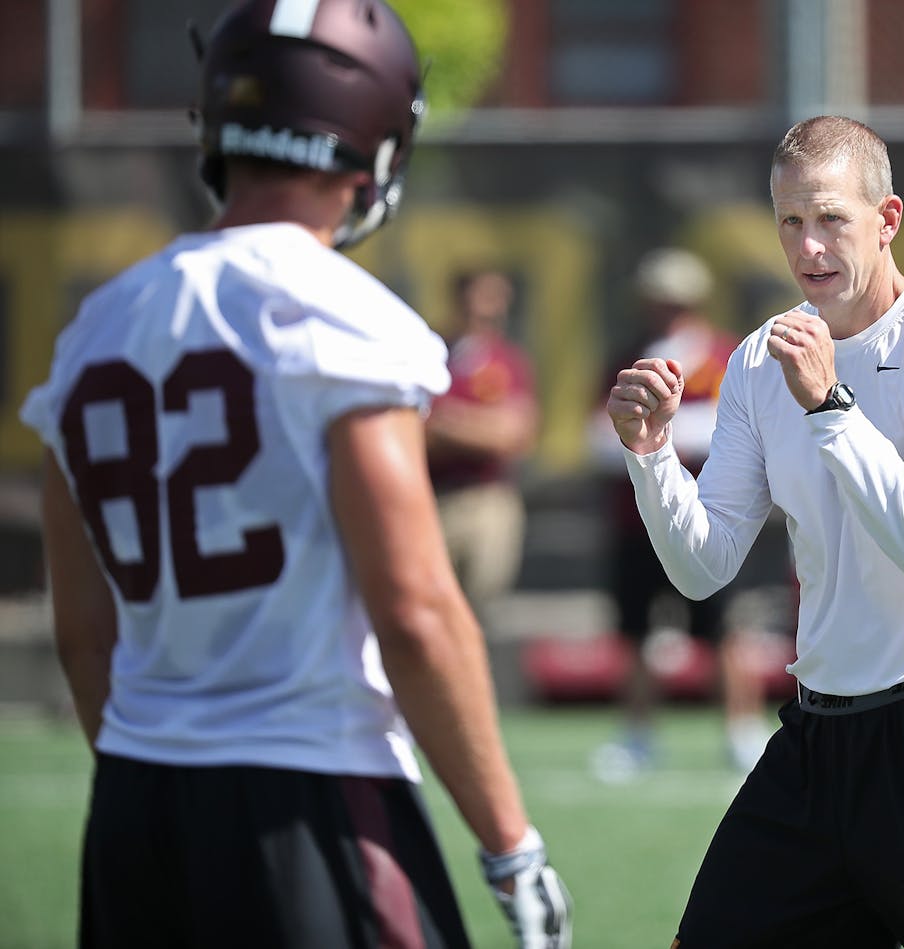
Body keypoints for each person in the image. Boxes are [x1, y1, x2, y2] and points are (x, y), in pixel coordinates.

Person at [19, 2, 569, 946]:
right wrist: (509, 842)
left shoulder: (95, 330)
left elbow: (84, 634)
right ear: (373, 140)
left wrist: (156, 768)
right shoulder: (343, 318)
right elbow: (415, 609)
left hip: (133, 808)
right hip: (310, 792)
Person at [607, 115, 904, 948]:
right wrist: (652, 455)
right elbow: (703, 567)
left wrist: (830, 407)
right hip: (818, 735)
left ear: (887, 218)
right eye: (789, 221)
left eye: (831, 219)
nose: (809, 246)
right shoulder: (756, 360)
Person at [590, 246, 774, 777]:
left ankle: (742, 732)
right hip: (635, 519)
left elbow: (737, 428)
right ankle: (637, 735)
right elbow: (597, 435)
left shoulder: (724, 357)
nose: (666, 310)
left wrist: (666, 430)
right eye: (657, 300)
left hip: (714, 515)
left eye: (675, 300)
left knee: (726, 631)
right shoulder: (626, 357)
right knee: (635, 634)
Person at [426, 268, 539, 621]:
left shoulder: (508, 360)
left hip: (486, 500)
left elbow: (513, 436)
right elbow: (415, 429)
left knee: (477, 615)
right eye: (483, 295)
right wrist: (481, 424)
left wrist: (448, 422)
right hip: (433, 499)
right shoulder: (430, 353)